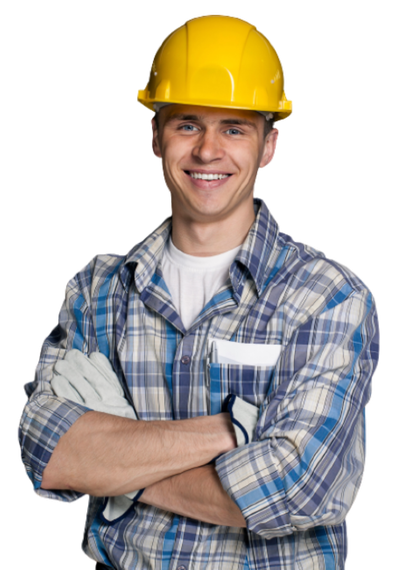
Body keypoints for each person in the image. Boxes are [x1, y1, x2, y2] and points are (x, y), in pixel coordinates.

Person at [17, 13, 380, 570]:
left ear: (269, 146)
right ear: (156, 138)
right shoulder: (99, 289)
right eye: (188, 123)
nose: (208, 150)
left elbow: (299, 487)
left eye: (234, 128)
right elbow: (48, 450)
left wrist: (121, 470)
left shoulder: (327, 297)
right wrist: (229, 430)